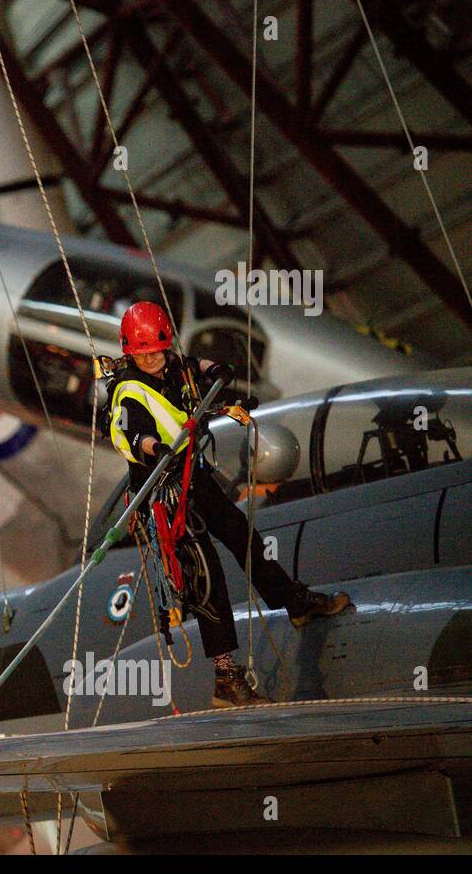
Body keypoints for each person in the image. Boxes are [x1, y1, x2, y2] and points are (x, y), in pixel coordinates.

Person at [105, 301, 350, 708]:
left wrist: (216, 371)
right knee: (205, 576)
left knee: (242, 535)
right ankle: (226, 677)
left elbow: (192, 364)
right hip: (164, 493)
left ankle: (294, 600)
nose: (150, 359)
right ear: (130, 353)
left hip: (194, 477)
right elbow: (125, 435)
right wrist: (154, 447)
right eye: (141, 354)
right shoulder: (126, 390)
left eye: (156, 351)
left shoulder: (172, 364)